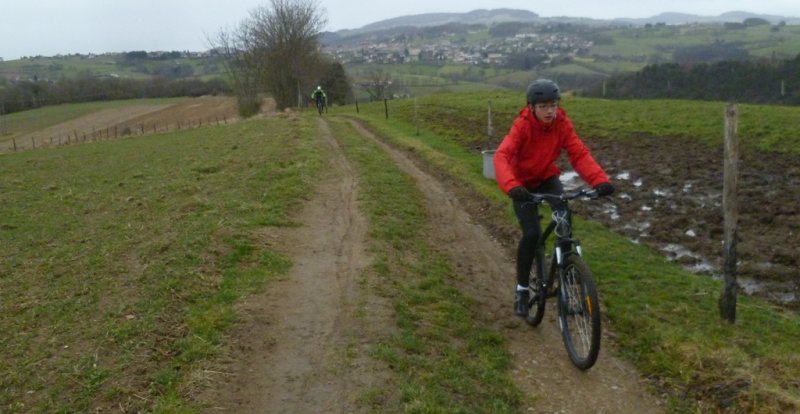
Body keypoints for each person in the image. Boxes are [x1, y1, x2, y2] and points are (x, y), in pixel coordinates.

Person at [493, 79, 615, 318]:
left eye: (553, 105)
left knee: (565, 223)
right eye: (544, 106)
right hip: (521, 185)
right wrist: (512, 186)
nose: (550, 111)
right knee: (531, 234)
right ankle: (522, 290)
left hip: (547, 178)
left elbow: (578, 153)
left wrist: (600, 180)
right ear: (532, 107)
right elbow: (501, 156)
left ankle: (567, 285)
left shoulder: (562, 124)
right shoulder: (522, 126)